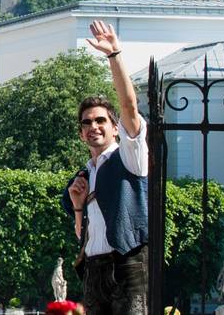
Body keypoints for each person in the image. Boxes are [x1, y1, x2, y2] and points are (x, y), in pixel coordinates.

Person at [62, 20, 150, 315]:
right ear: (80, 133)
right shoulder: (85, 174)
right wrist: (77, 206)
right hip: (92, 267)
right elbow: (82, 234)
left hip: (126, 263)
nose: (93, 126)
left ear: (116, 129)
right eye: (86, 122)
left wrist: (114, 56)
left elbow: (129, 106)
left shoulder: (129, 156)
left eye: (101, 120)